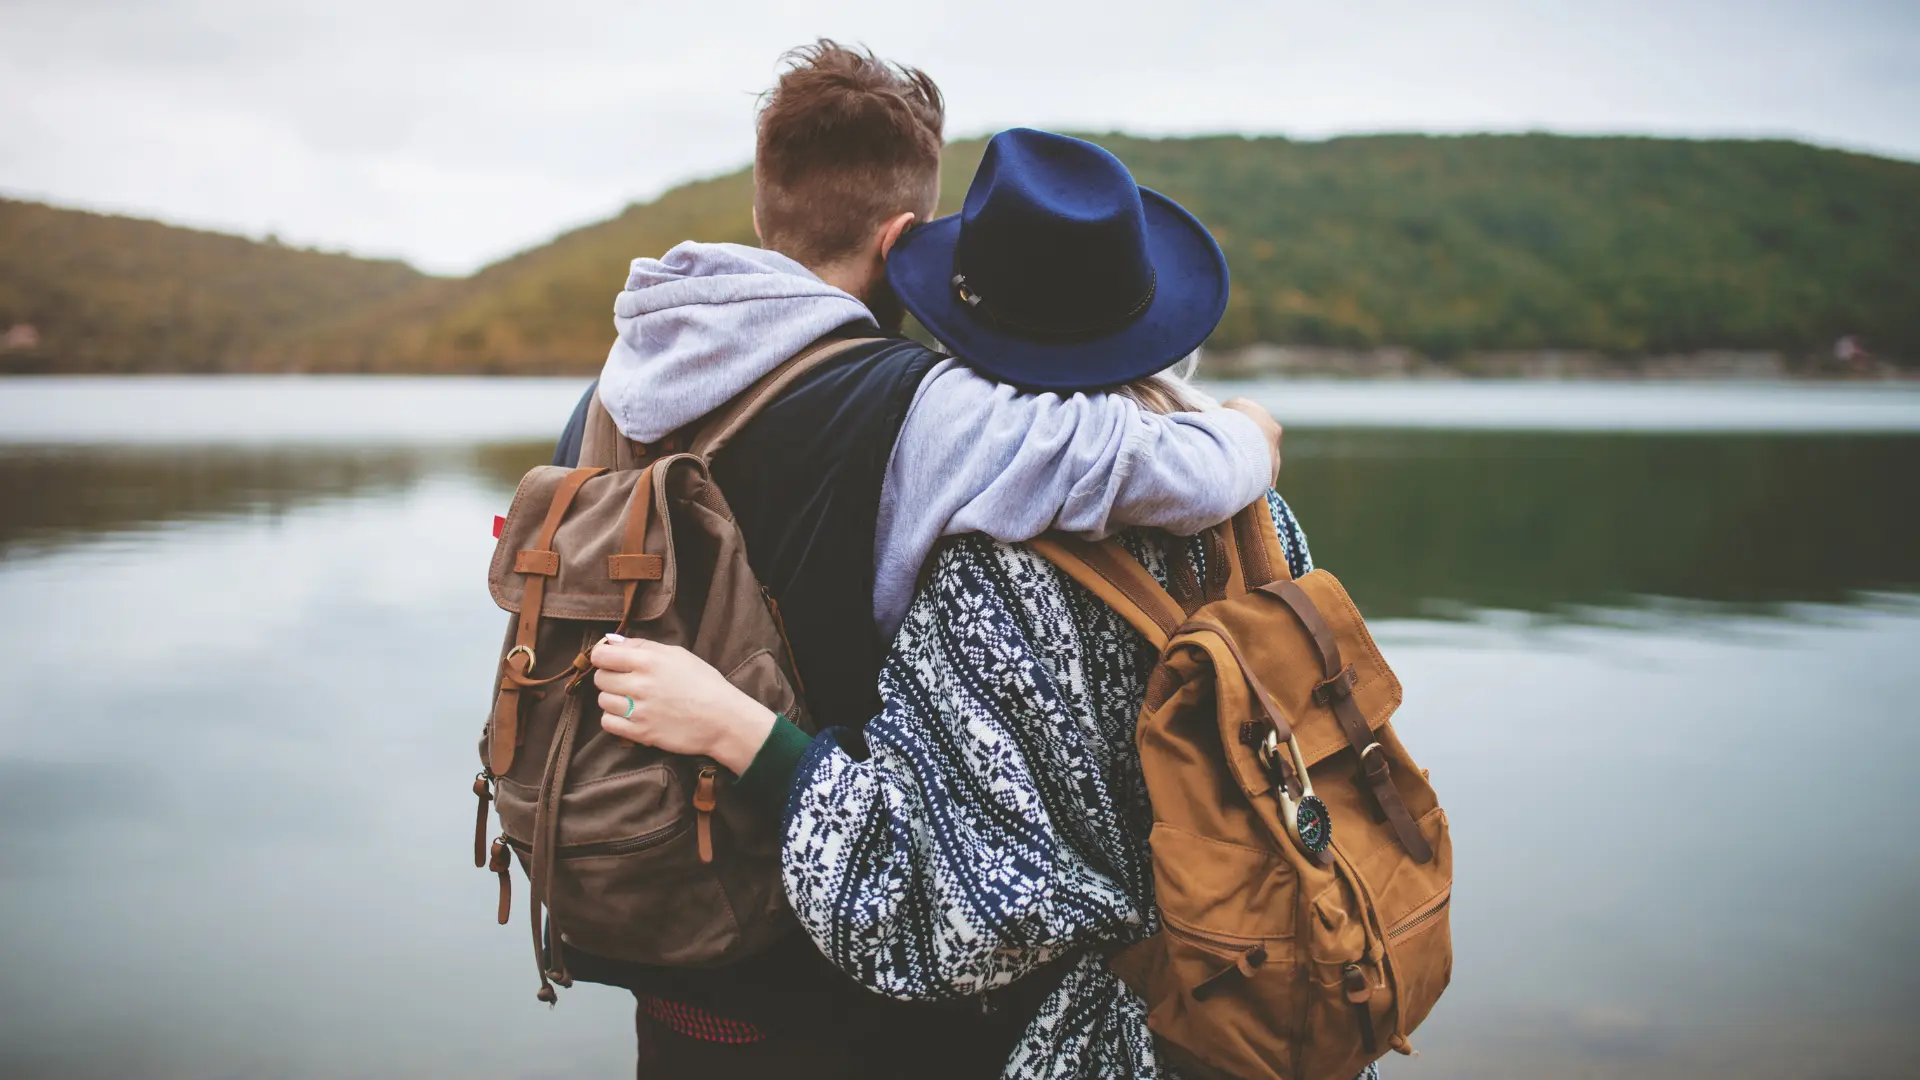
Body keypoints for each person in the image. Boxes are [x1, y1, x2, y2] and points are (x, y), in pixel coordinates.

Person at [549, 45, 1283, 1079]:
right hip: (842, 977)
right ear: (901, 240)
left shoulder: (610, 393)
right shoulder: (918, 408)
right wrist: (1253, 435)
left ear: (767, 212)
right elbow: (1142, 461)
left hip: (657, 944)